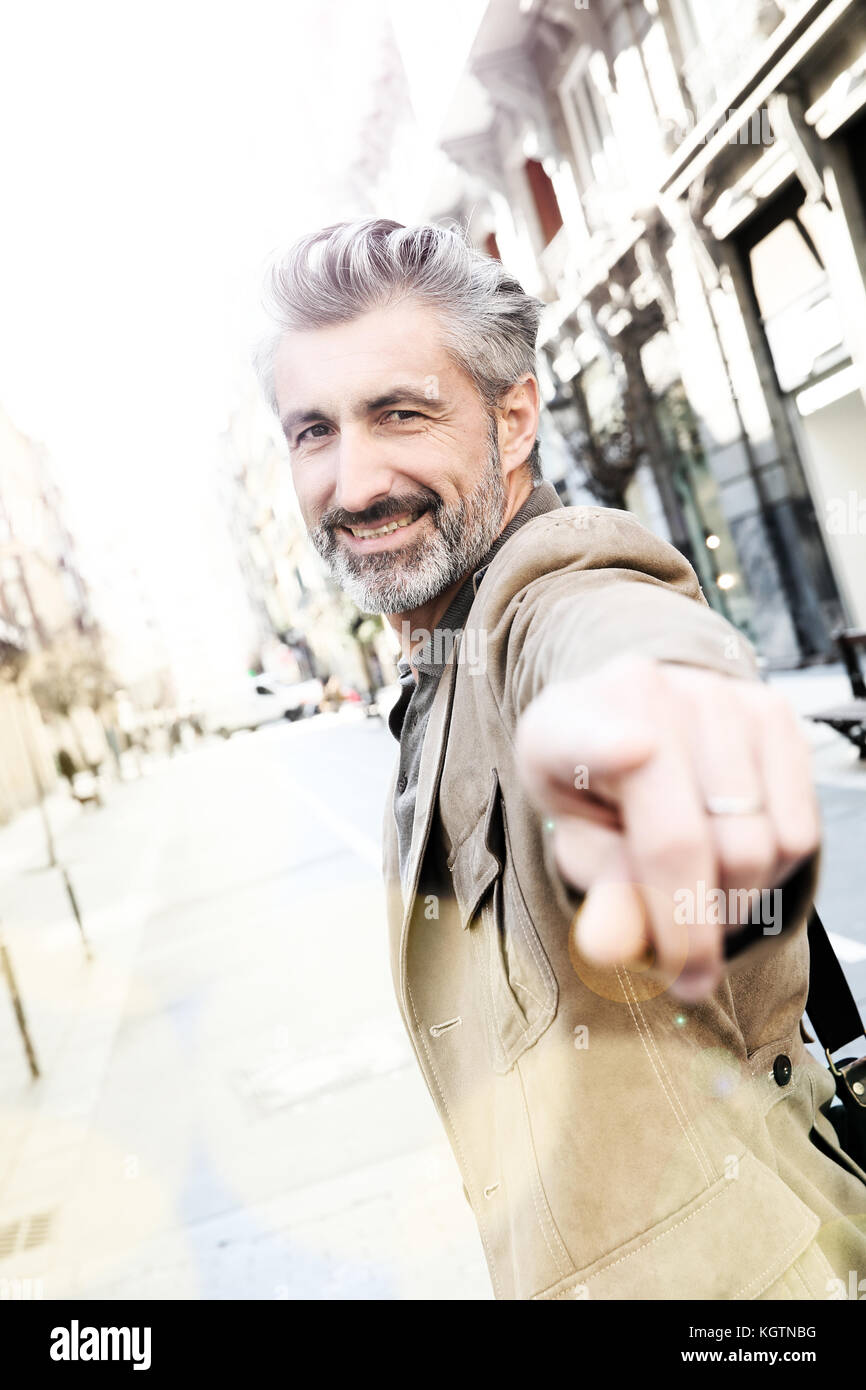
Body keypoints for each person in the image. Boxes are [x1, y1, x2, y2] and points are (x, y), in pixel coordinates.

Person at [253, 218, 866, 1300]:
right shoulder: (443, 652)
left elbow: (613, 644)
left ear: (514, 415)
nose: (351, 483)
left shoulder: (555, 598)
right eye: (314, 430)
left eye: (400, 412)